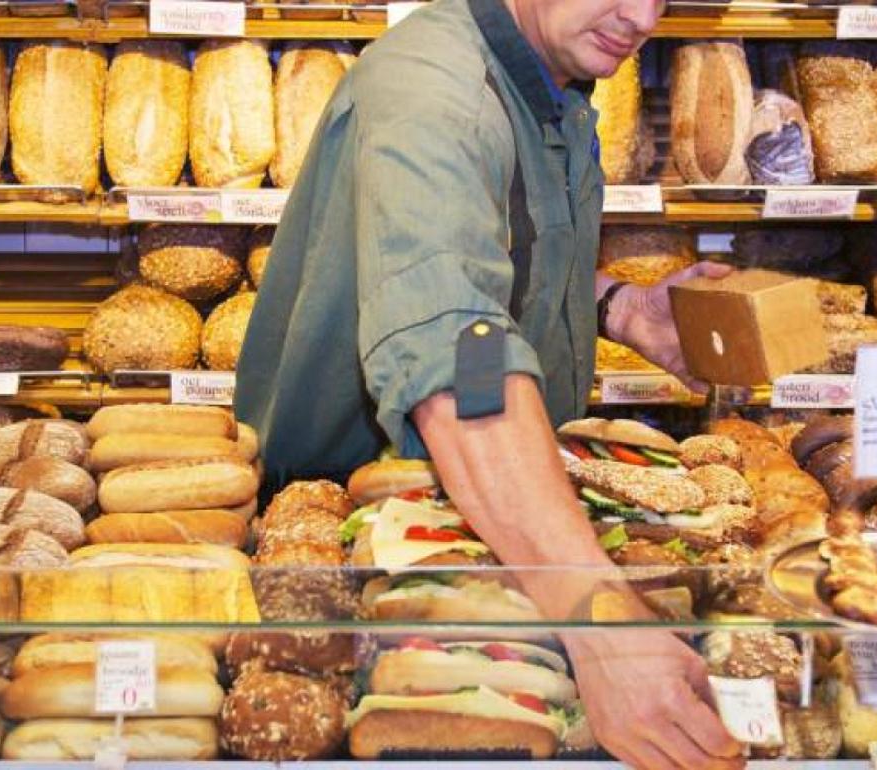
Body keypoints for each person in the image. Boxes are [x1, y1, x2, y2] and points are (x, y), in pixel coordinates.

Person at [235, 1, 744, 768]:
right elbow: (458, 364)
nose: (641, 15)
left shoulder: (549, 73)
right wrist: (604, 630)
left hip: (512, 524)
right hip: (363, 555)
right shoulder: (436, 91)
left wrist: (617, 306)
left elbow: (483, 253)